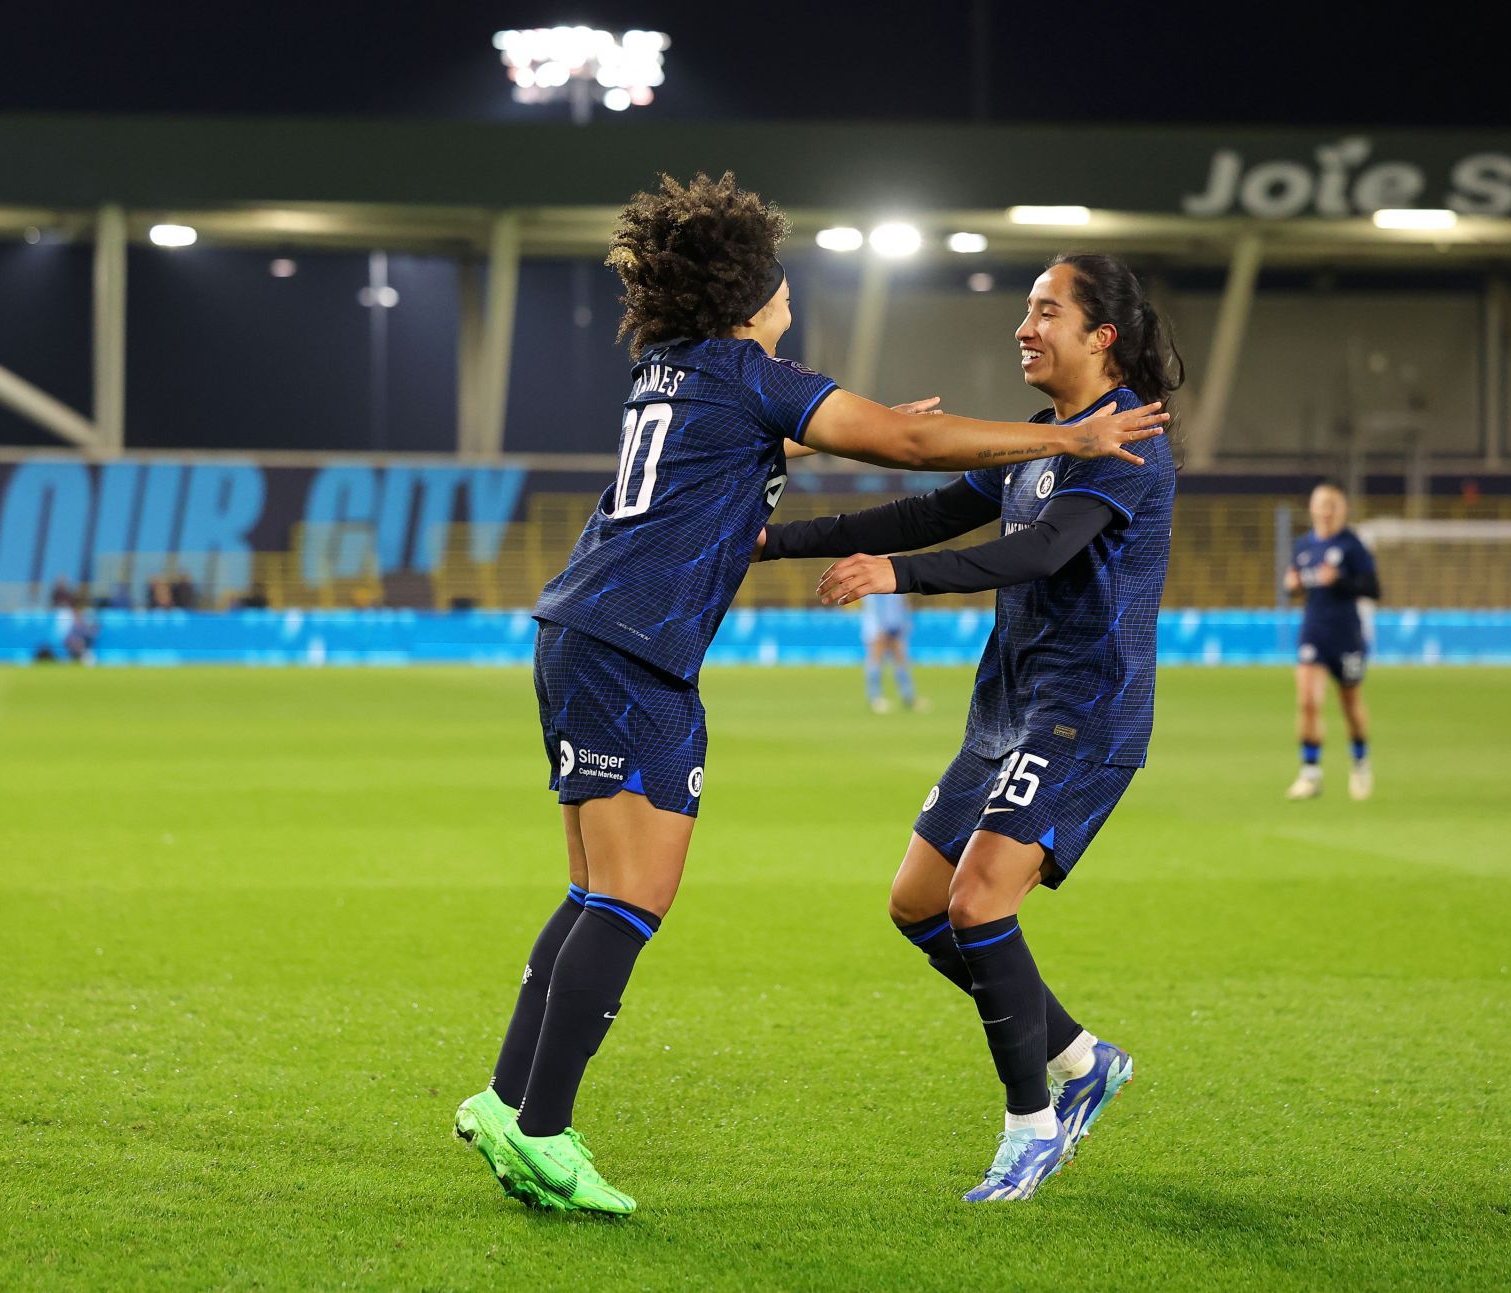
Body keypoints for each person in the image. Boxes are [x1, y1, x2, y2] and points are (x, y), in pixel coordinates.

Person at [453, 174, 1168, 1216]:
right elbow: (911, 450)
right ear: (751, 292)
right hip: (638, 649)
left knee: (594, 891)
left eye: (1043, 310)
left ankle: (510, 1097)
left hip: (582, 633)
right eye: (779, 278)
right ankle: (543, 1130)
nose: (789, 293)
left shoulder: (668, 370)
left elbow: (914, 504)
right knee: (631, 896)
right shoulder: (755, 374)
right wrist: (1062, 439)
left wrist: (785, 525)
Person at [760, 252, 1181, 1202]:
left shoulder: (1129, 445)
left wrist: (895, 579)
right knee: (918, 902)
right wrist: (772, 541)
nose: (1024, 327)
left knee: (980, 902)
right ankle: (1082, 1057)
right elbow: (924, 510)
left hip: (1085, 709)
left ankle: (1031, 1127)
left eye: (1045, 311)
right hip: (1007, 707)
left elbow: (1043, 550)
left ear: (1101, 335)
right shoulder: (1041, 438)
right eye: (1025, 310)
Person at [1282, 483, 1379, 801]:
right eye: (1321, 504)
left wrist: (1340, 581)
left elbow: (1373, 589)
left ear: (1342, 509)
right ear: (1311, 508)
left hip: (1346, 634)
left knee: (1350, 705)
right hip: (1314, 631)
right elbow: (1295, 583)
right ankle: (1310, 773)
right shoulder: (1303, 546)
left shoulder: (1352, 546)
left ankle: (1360, 762)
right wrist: (1292, 586)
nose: (1326, 511)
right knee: (1307, 700)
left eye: (1332, 505)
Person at [859, 592, 922, 712]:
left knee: (900, 661)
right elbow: (877, 606)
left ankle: (908, 697)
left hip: (893, 625)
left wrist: (902, 624)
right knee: (876, 660)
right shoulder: (879, 583)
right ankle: (875, 698)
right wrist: (882, 627)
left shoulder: (893, 583)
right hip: (879, 627)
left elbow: (899, 604)